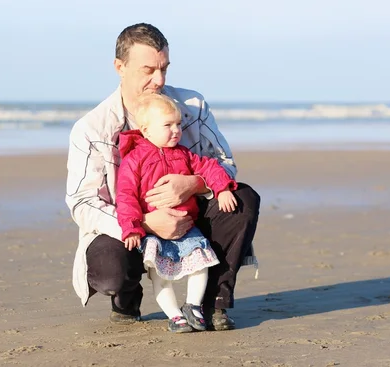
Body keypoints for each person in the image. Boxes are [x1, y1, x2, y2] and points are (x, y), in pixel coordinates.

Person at [65, 23, 260, 331]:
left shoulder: (191, 107)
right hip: (127, 224)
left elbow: (225, 163)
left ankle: (211, 305)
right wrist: (142, 223)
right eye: (148, 70)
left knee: (243, 199)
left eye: (164, 69)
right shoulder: (92, 128)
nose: (159, 80)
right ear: (120, 67)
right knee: (109, 272)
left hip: (189, 215)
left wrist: (194, 184)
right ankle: (126, 300)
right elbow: (81, 202)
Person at [116, 93, 239, 333]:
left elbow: (209, 167)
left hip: (185, 225)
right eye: (167, 125)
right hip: (154, 231)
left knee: (200, 264)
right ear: (146, 130)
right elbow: (126, 195)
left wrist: (222, 188)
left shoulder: (183, 154)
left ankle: (192, 306)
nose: (176, 130)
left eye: (179, 124)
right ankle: (174, 316)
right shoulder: (134, 159)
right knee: (159, 275)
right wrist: (132, 227)